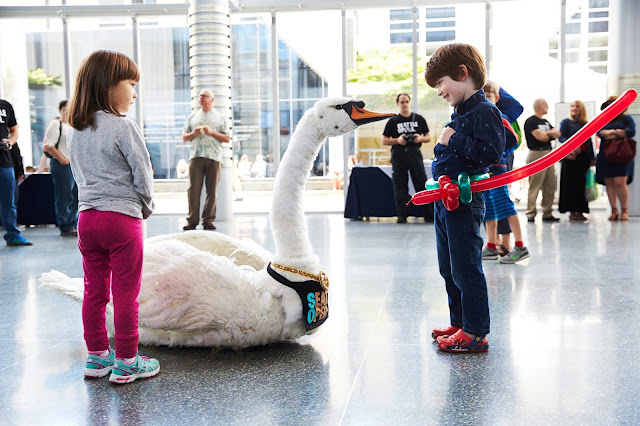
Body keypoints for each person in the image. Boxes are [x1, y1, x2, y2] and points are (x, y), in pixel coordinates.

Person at [66, 49, 159, 384]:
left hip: (87, 220)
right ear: (109, 87)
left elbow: (77, 175)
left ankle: (97, 358)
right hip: (121, 220)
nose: (135, 92)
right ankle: (128, 361)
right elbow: (143, 174)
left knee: (94, 290)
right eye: (131, 83)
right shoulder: (123, 127)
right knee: (125, 293)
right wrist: (145, 206)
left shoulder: (76, 131)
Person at [425, 43, 505, 352]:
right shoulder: (462, 112)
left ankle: (475, 333)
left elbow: (491, 153)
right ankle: (459, 322)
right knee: (449, 267)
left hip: (465, 198)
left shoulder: (485, 111)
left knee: (466, 268)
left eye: (441, 83)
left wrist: (453, 138)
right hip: (445, 199)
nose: (438, 91)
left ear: (462, 74)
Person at [481, 81, 530, 264]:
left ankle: (519, 246)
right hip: (485, 169)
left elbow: (513, 138)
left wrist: (498, 152)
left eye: (489, 95)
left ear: (497, 98)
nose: (486, 99)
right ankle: (491, 246)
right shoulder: (480, 116)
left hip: (498, 168)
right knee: (489, 209)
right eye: (483, 95)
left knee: (504, 206)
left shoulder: (499, 116)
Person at [182, 89, 230, 231]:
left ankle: (208, 220)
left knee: (212, 190)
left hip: (214, 157)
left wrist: (212, 132)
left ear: (212, 99)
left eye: (204, 96)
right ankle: (192, 221)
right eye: (200, 96)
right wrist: (194, 133)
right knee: (193, 190)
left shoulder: (221, 118)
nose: (201, 98)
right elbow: (185, 137)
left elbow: (227, 138)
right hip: (196, 156)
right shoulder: (192, 117)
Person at [382, 93, 433, 223]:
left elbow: (428, 137)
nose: (404, 104)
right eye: (401, 102)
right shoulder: (393, 121)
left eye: (406, 101)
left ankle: (428, 214)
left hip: (414, 153)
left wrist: (420, 138)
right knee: (400, 185)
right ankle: (402, 215)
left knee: (421, 183)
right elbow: (384, 140)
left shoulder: (419, 118)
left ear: (409, 102)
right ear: (398, 104)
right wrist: (398, 140)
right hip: (399, 154)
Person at [595, 96, 636, 221]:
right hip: (605, 153)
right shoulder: (602, 118)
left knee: (620, 182)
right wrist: (619, 132)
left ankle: (624, 210)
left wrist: (612, 132)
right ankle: (614, 210)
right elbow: (599, 133)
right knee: (609, 182)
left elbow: (631, 132)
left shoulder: (627, 118)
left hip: (622, 153)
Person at [43, 99, 79, 236]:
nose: (67, 111)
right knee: (64, 196)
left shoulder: (74, 125)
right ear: (60, 110)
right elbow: (48, 145)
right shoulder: (56, 124)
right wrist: (62, 159)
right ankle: (65, 225)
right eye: (64, 109)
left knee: (75, 196)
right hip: (62, 165)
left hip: (74, 165)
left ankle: (73, 223)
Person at [524, 98, 562, 222]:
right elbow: (540, 137)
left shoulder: (545, 121)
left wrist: (547, 134)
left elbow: (558, 133)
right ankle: (531, 213)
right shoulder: (531, 121)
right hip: (536, 154)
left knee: (550, 185)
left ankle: (547, 212)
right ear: (540, 106)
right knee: (535, 184)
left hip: (548, 154)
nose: (548, 107)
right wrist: (548, 135)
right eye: (546, 104)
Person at [0, 98, 32, 246]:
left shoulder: (5, 106)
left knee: (8, 201)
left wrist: (10, 142)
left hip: (4, 161)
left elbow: (14, 131)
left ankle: (12, 235)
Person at [558, 100, 596, 221]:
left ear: (581, 109)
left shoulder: (585, 123)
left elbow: (589, 142)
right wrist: (572, 147)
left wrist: (592, 158)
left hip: (583, 159)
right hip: (570, 159)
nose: (574, 108)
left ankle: (580, 210)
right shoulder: (566, 122)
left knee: (581, 185)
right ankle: (572, 210)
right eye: (572, 106)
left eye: (577, 106)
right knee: (570, 185)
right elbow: (561, 137)